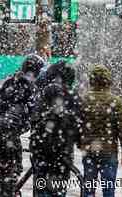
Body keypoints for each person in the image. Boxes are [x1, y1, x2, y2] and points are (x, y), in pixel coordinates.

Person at [0, 54, 44, 197]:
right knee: (14, 167)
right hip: (9, 127)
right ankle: (6, 193)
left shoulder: (12, 79)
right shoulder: (30, 86)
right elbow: (35, 112)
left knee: (0, 164)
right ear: (35, 70)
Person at [79, 65, 122, 197]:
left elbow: (77, 126)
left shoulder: (84, 100)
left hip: (89, 151)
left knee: (88, 189)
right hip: (109, 152)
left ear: (91, 81)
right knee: (108, 190)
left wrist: (80, 143)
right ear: (108, 81)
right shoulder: (115, 102)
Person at [30, 61, 82, 197]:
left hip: (42, 148)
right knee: (59, 188)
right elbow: (78, 124)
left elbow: (35, 116)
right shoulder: (74, 96)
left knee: (41, 185)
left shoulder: (46, 91)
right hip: (63, 151)